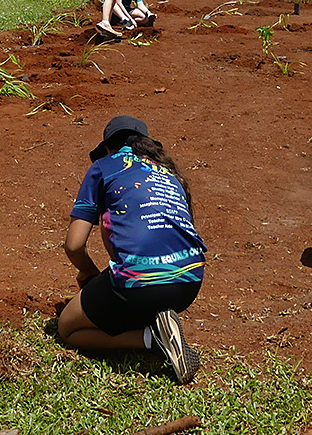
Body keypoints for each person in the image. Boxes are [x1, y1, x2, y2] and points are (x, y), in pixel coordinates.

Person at [58, 115, 207, 385]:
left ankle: (151, 338)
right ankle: (161, 322)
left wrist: (89, 273)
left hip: (139, 282)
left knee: (68, 327)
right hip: (189, 282)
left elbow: (74, 244)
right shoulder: (171, 174)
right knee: (142, 289)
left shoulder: (104, 167)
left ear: (107, 148)